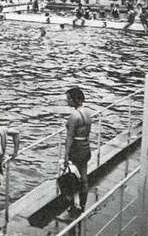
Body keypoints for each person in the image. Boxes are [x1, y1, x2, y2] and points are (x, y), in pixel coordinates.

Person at [61, 87, 91, 218]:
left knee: (71, 179)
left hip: (77, 148)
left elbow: (69, 137)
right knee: (84, 177)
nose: (67, 101)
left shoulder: (74, 116)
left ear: (75, 99)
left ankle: (74, 207)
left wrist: (66, 155)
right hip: (86, 146)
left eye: (68, 99)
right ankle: (82, 205)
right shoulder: (87, 112)